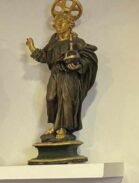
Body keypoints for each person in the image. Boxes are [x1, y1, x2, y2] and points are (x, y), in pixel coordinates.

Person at [26, 4, 98, 142]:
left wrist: (78, 64)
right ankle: (55, 125)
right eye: (56, 22)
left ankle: (64, 128)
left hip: (69, 75)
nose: (58, 25)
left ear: (70, 24)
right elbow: (46, 57)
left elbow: (89, 57)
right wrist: (32, 48)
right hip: (56, 73)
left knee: (66, 100)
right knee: (51, 98)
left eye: (62, 22)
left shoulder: (77, 42)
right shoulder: (53, 43)